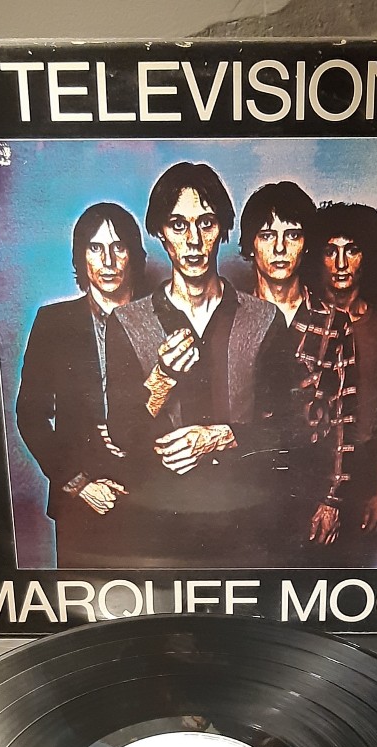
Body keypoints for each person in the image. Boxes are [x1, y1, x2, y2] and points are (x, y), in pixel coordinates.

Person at [105, 162, 287, 566]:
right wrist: (161, 379)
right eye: (178, 225)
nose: (193, 240)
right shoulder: (128, 322)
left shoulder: (264, 319)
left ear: (222, 229)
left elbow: (289, 428)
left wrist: (220, 437)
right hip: (160, 527)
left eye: (206, 223)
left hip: (247, 525)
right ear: (160, 233)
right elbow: (122, 433)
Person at [15, 202, 145, 568]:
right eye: (95, 248)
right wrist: (80, 484)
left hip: (153, 498)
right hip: (79, 501)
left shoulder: (163, 319)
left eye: (118, 247)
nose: (108, 260)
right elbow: (31, 416)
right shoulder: (53, 323)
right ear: (80, 257)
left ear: (133, 255)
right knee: (84, 599)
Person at [239, 181, 356, 554]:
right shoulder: (230, 316)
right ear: (250, 245)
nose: (279, 248)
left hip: (308, 484)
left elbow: (344, 416)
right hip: (242, 483)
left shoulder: (333, 322)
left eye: (291, 235)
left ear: (306, 244)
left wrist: (332, 499)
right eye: (266, 235)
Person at [306, 202, 377, 552]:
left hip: (361, 478)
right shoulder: (299, 322)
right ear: (316, 258)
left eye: (351, 250)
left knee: (349, 575)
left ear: (368, 256)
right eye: (330, 251)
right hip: (305, 473)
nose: (341, 263)